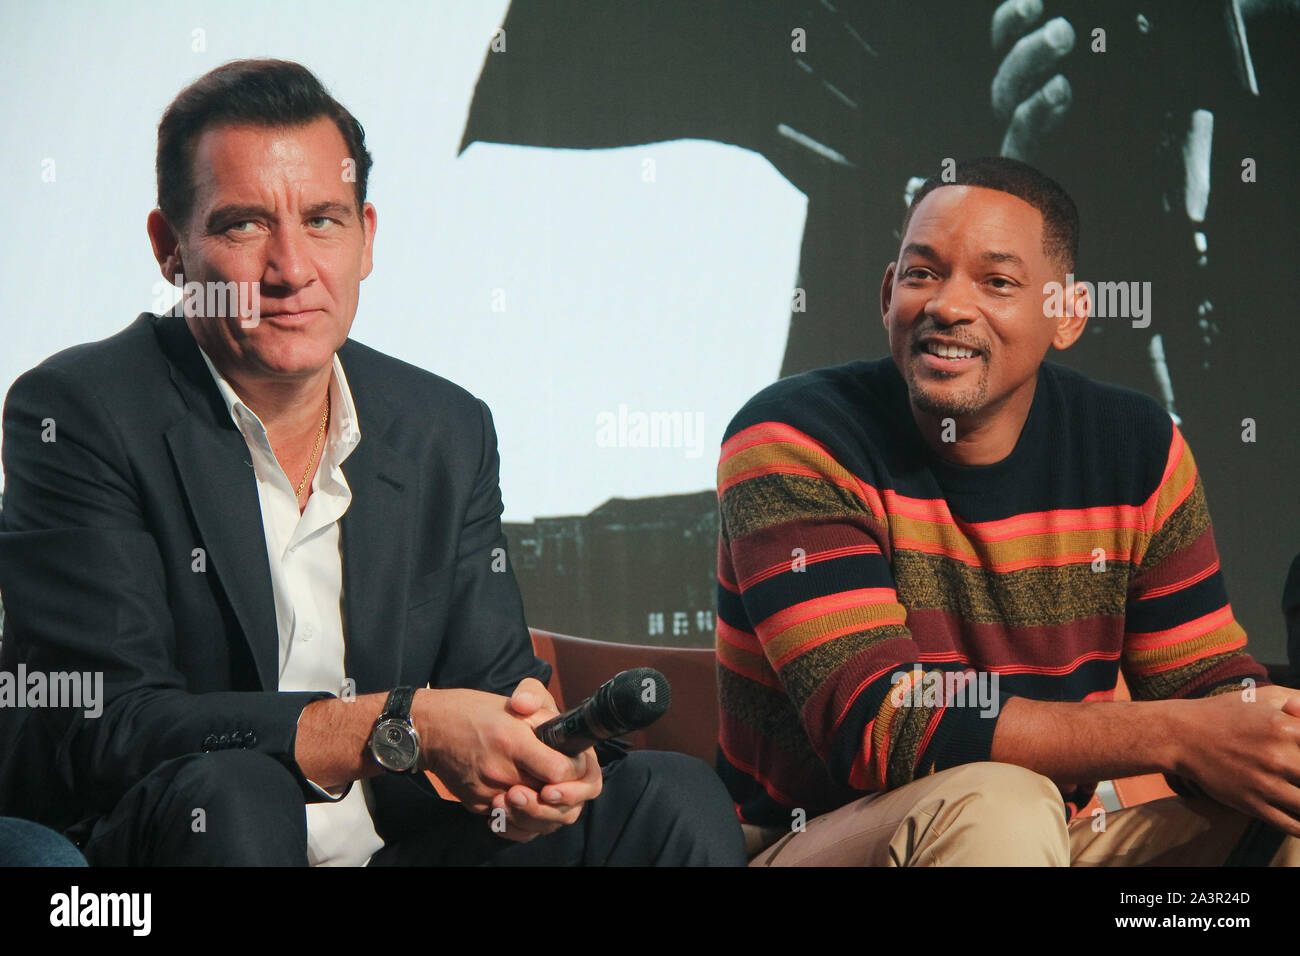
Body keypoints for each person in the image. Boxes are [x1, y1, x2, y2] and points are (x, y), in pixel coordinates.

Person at [0, 58, 745, 867]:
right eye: (244, 224)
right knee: (240, 791)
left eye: (323, 220)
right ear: (169, 249)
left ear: (367, 238)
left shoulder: (443, 428)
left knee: (671, 797)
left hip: (402, 849)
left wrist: (534, 771)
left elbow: (493, 690)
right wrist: (398, 724)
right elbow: (106, 726)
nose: (291, 270)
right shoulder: (81, 410)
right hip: (184, 843)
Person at [714, 155, 1300, 866]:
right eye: (922, 273)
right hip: (812, 841)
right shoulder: (794, 437)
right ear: (887, 294)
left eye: (996, 281)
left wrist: (1261, 731)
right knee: (999, 801)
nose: (948, 306)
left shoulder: (1136, 446)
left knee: (1282, 818)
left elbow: (1203, 684)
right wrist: (1178, 732)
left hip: (1052, 839)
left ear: (1068, 315)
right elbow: (877, 724)